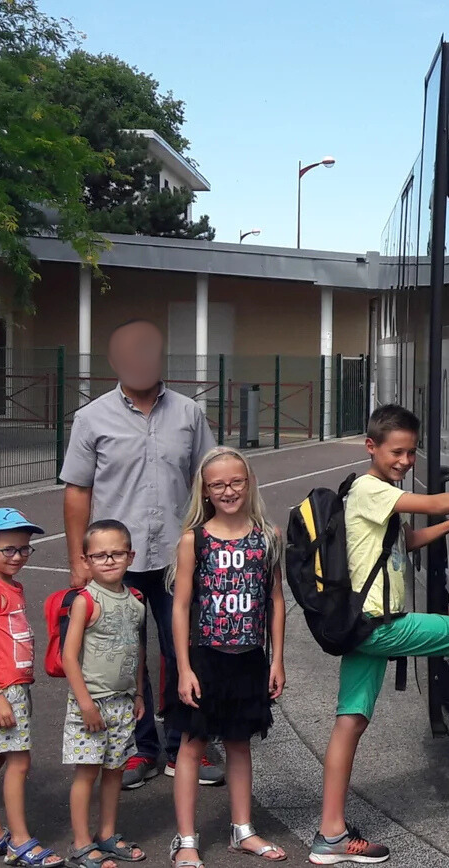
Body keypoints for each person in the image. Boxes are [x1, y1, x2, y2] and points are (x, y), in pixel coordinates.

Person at [310, 405, 449, 865]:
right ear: (371, 447)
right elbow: (434, 502)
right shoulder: (371, 489)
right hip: (379, 624)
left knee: (350, 721)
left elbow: (405, 542)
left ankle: (330, 835)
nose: (406, 461)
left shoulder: (377, 495)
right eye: (397, 452)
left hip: (359, 626)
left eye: (412, 453)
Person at [61, 317, 222, 790]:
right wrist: (78, 561)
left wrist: (222, 540)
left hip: (178, 558)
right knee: (124, 657)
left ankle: (183, 745)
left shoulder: (189, 414)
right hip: (115, 563)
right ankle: (140, 748)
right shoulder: (92, 418)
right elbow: (77, 491)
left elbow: (209, 479)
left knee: (182, 652)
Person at [168, 447, 289, 866]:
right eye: (218, 484)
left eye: (236, 481)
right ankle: (185, 839)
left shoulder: (268, 536)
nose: (228, 491)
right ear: (204, 491)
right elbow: (181, 606)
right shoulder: (194, 540)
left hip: (249, 658)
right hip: (205, 658)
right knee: (191, 745)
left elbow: (276, 600)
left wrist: (277, 659)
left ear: (249, 482)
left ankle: (243, 830)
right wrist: (184, 668)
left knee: (239, 744)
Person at [0, 508, 57, 865]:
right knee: (19, 762)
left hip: (13, 687)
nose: (17, 556)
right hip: (3, 690)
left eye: (24, 549)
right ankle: (19, 839)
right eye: (8, 549)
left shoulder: (11, 586)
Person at [60, 519, 149, 868]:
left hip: (123, 702)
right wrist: (85, 705)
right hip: (92, 703)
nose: (109, 560)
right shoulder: (85, 600)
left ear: (131, 556)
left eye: (117, 553)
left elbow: (138, 650)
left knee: (115, 770)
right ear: (86, 561)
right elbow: (69, 656)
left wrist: (138, 695)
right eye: (100, 555)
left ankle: (107, 833)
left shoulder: (136, 601)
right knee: (87, 772)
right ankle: (82, 843)